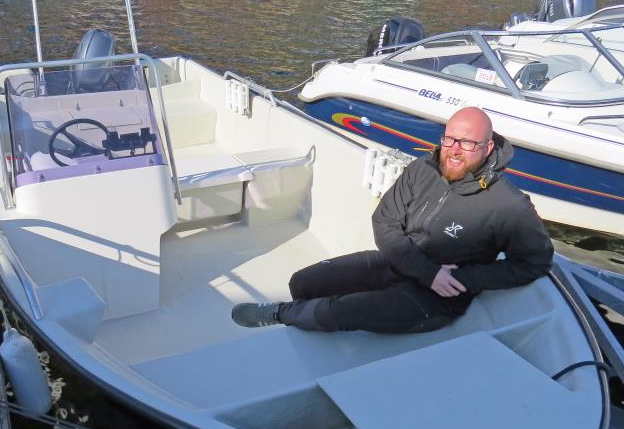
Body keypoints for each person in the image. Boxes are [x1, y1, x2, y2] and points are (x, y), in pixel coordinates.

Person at [231, 107, 554, 333]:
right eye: (450, 139)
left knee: (342, 310)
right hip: (397, 263)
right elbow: (384, 222)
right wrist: (426, 270)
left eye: (468, 143)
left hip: (436, 298)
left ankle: (279, 313)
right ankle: (311, 311)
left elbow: (534, 263)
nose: (455, 150)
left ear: (487, 147)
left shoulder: (508, 205)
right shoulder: (422, 170)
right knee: (303, 283)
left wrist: (464, 278)